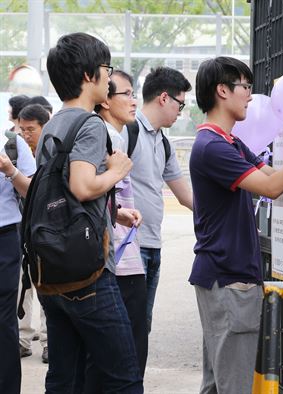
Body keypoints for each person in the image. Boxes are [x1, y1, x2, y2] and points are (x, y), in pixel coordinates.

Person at [189, 56, 283, 393]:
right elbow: (272, 188)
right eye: (245, 86)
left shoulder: (230, 142)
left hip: (226, 277)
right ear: (222, 91)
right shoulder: (212, 147)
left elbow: (274, 176)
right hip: (228, 279)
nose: (250, 96)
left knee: (217, 384)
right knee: (233, 385)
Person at [10, 32, 144, 393]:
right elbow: (82, 187)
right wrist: (117, 170)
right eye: (106, 69)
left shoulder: (52, 124)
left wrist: (113, 214)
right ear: (89, 75)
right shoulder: (90, 124)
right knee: (124, 376)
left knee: (65, 378)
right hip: (88, 274)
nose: (109, 77)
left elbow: (60, 194)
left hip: (52, 270)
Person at [87, 69, 148, 387]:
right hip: (118, 262)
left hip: (123, 253)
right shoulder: (104, 136)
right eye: (127, 93)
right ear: (106, 100)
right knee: (123, 358)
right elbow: (89, 191)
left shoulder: (117, 134)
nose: (134, 100)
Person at [123, 66, 193, 332]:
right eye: (180, 105)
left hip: (153, 245)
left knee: (141, 327)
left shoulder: (164, 143)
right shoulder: (127, 132)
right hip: (128, 246)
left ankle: (134, 376)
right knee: (126, 329)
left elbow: (186, 196)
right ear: (164, 98)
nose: (180, 112)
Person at [0, 113, 36, 394]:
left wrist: (10, 170)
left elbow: (33, 193)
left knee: (4, 322)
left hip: (5, 240)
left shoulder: (12, 143)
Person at [15, 102, 50, 362]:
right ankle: (23, 339)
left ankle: (49, 341)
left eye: (31, 129)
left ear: (44, 126)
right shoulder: (15, 152)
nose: (26, 135)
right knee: (23, 286)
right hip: (21, 229)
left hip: (47, 230)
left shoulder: (51, 152)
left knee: (47, 285)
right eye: (22, 129)